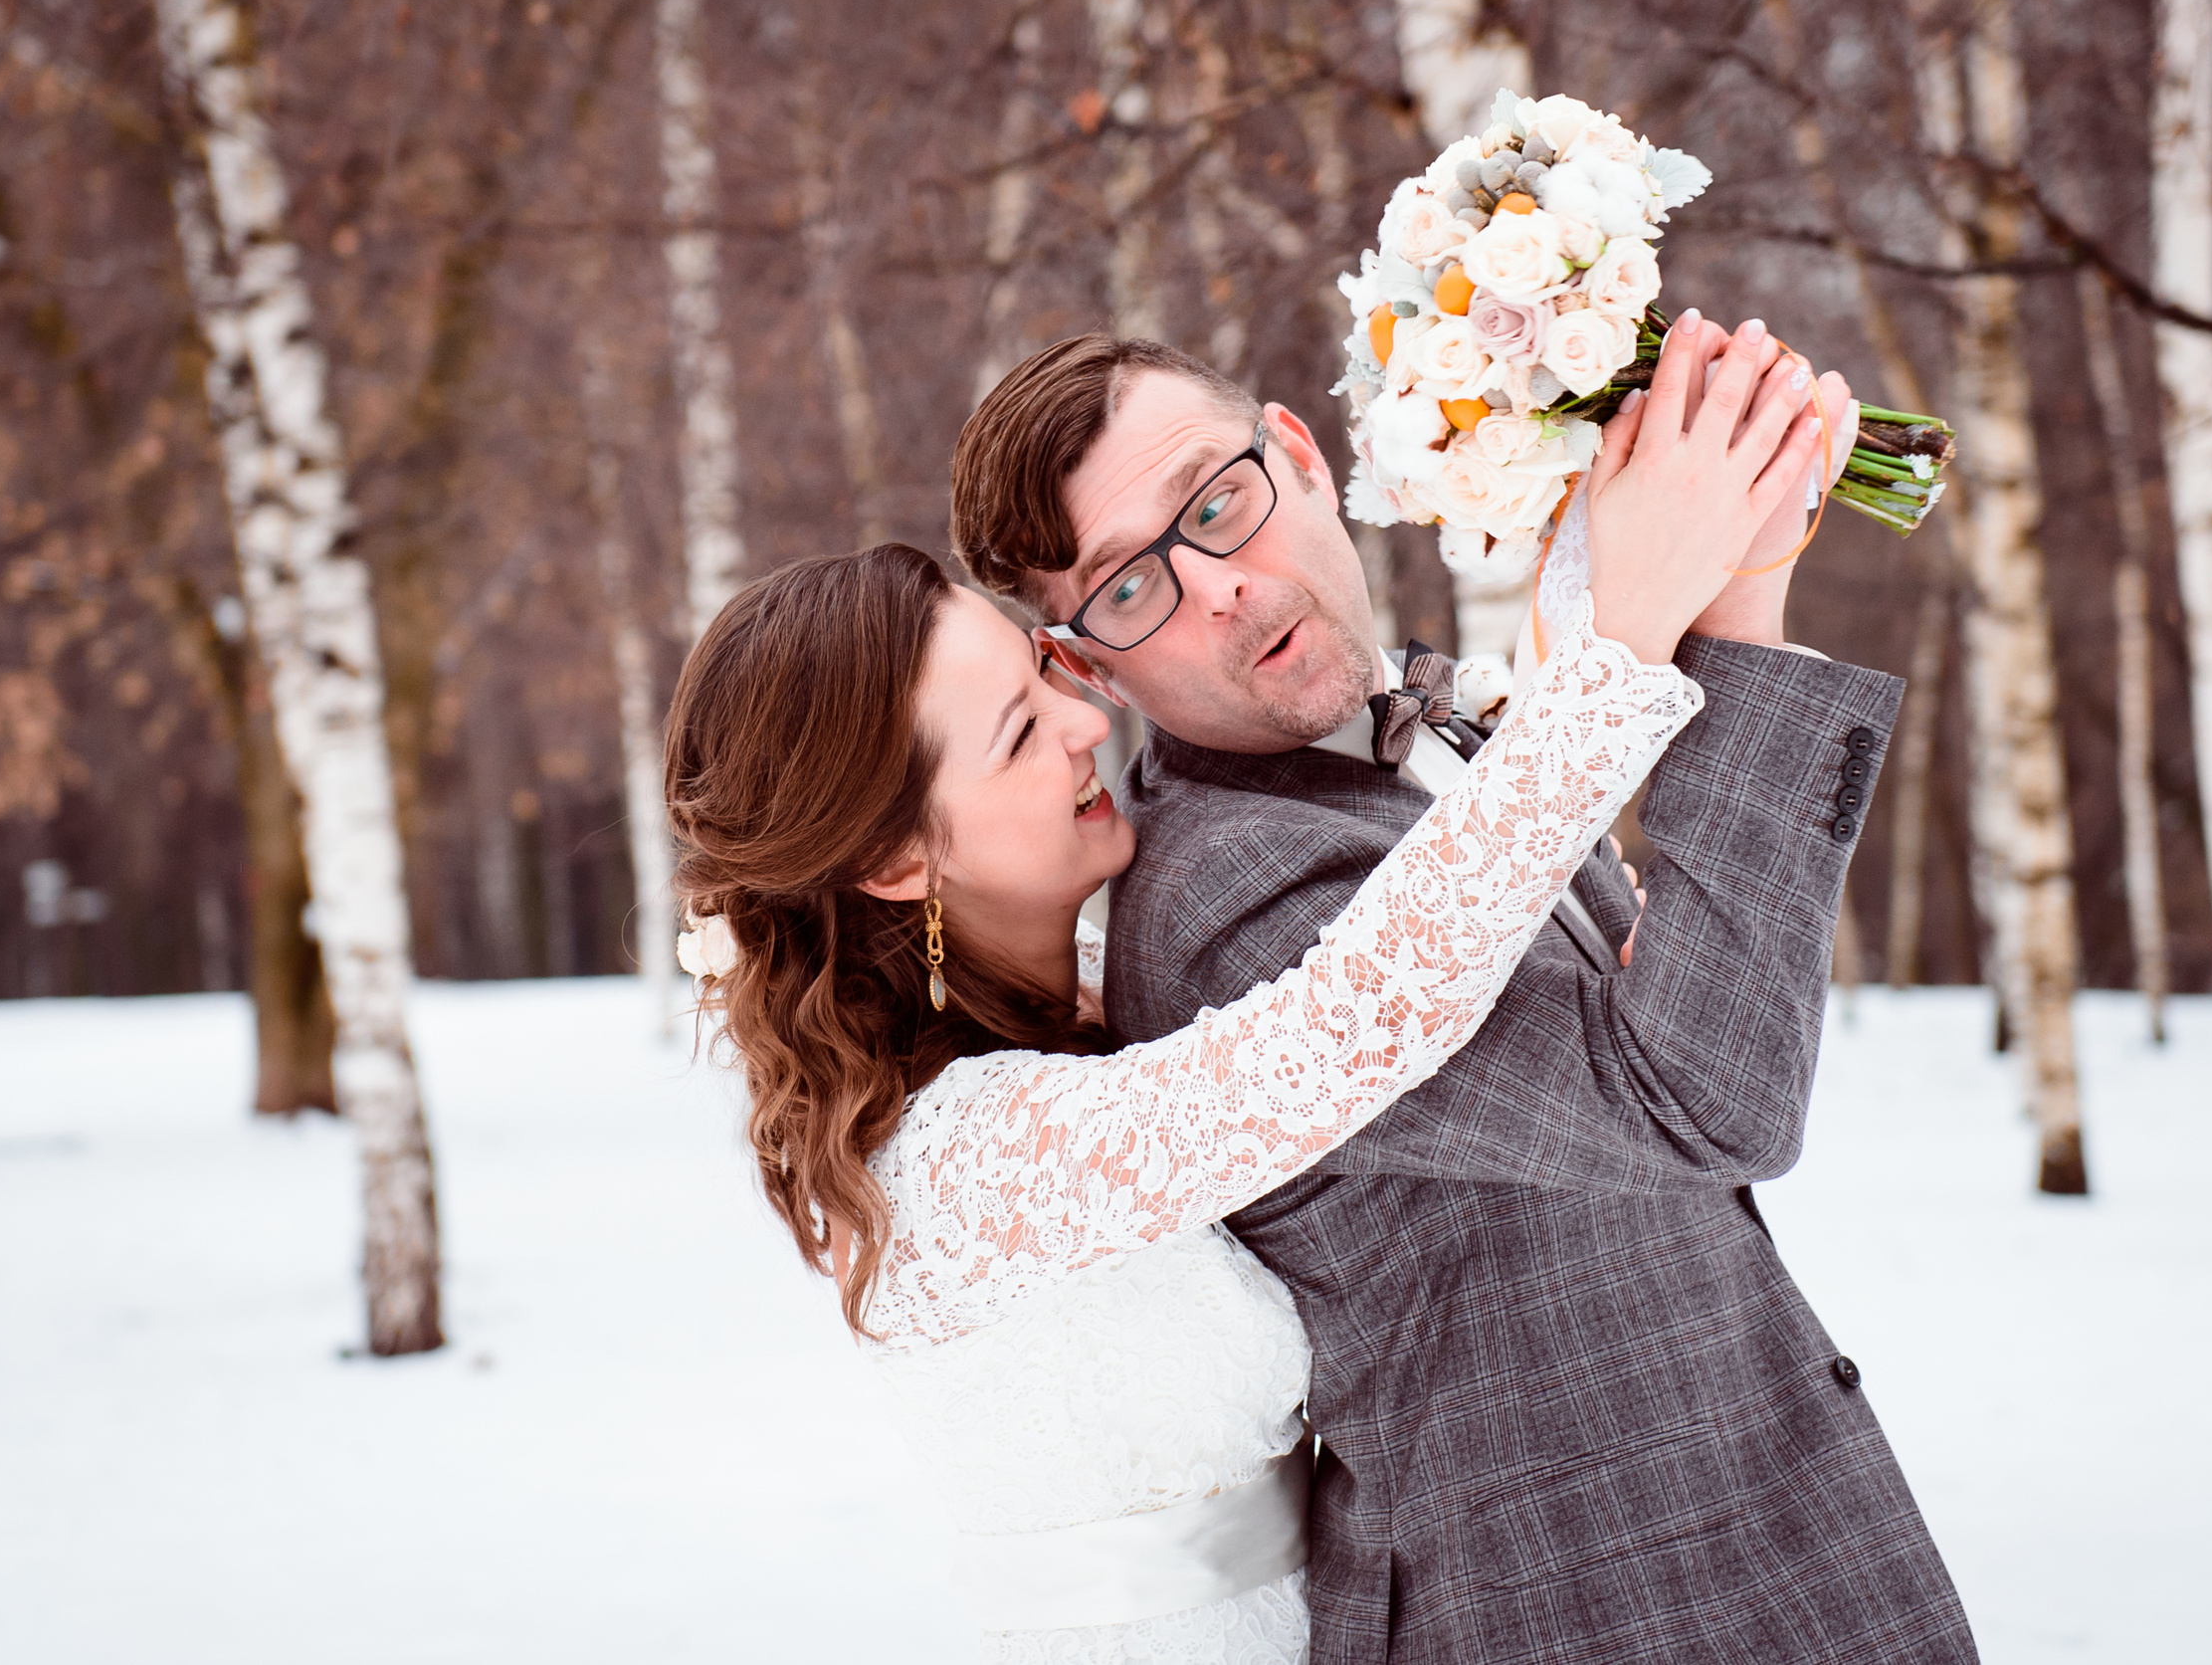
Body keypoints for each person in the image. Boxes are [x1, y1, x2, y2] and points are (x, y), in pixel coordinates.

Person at [663, 322, 1822, 1662]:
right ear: (893, 860)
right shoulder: (968, 1159)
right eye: (1017, 737)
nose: (1088, 721)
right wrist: (1624, 649)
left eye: (1044, 673)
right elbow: (1351, 1021)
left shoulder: (1092, 998)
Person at [948, 313, 1979, 1664]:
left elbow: (1667, 1026)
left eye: (1218, 504)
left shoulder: (1431, 734)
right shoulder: (1225, 912)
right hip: (1571, 1614)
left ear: (1302, 458)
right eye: (1131, 588)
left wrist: (1737, 549)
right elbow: (1707, 1094)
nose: (1220, 588)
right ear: (1087, 661)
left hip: (1763, 1557)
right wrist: (1734, 620)